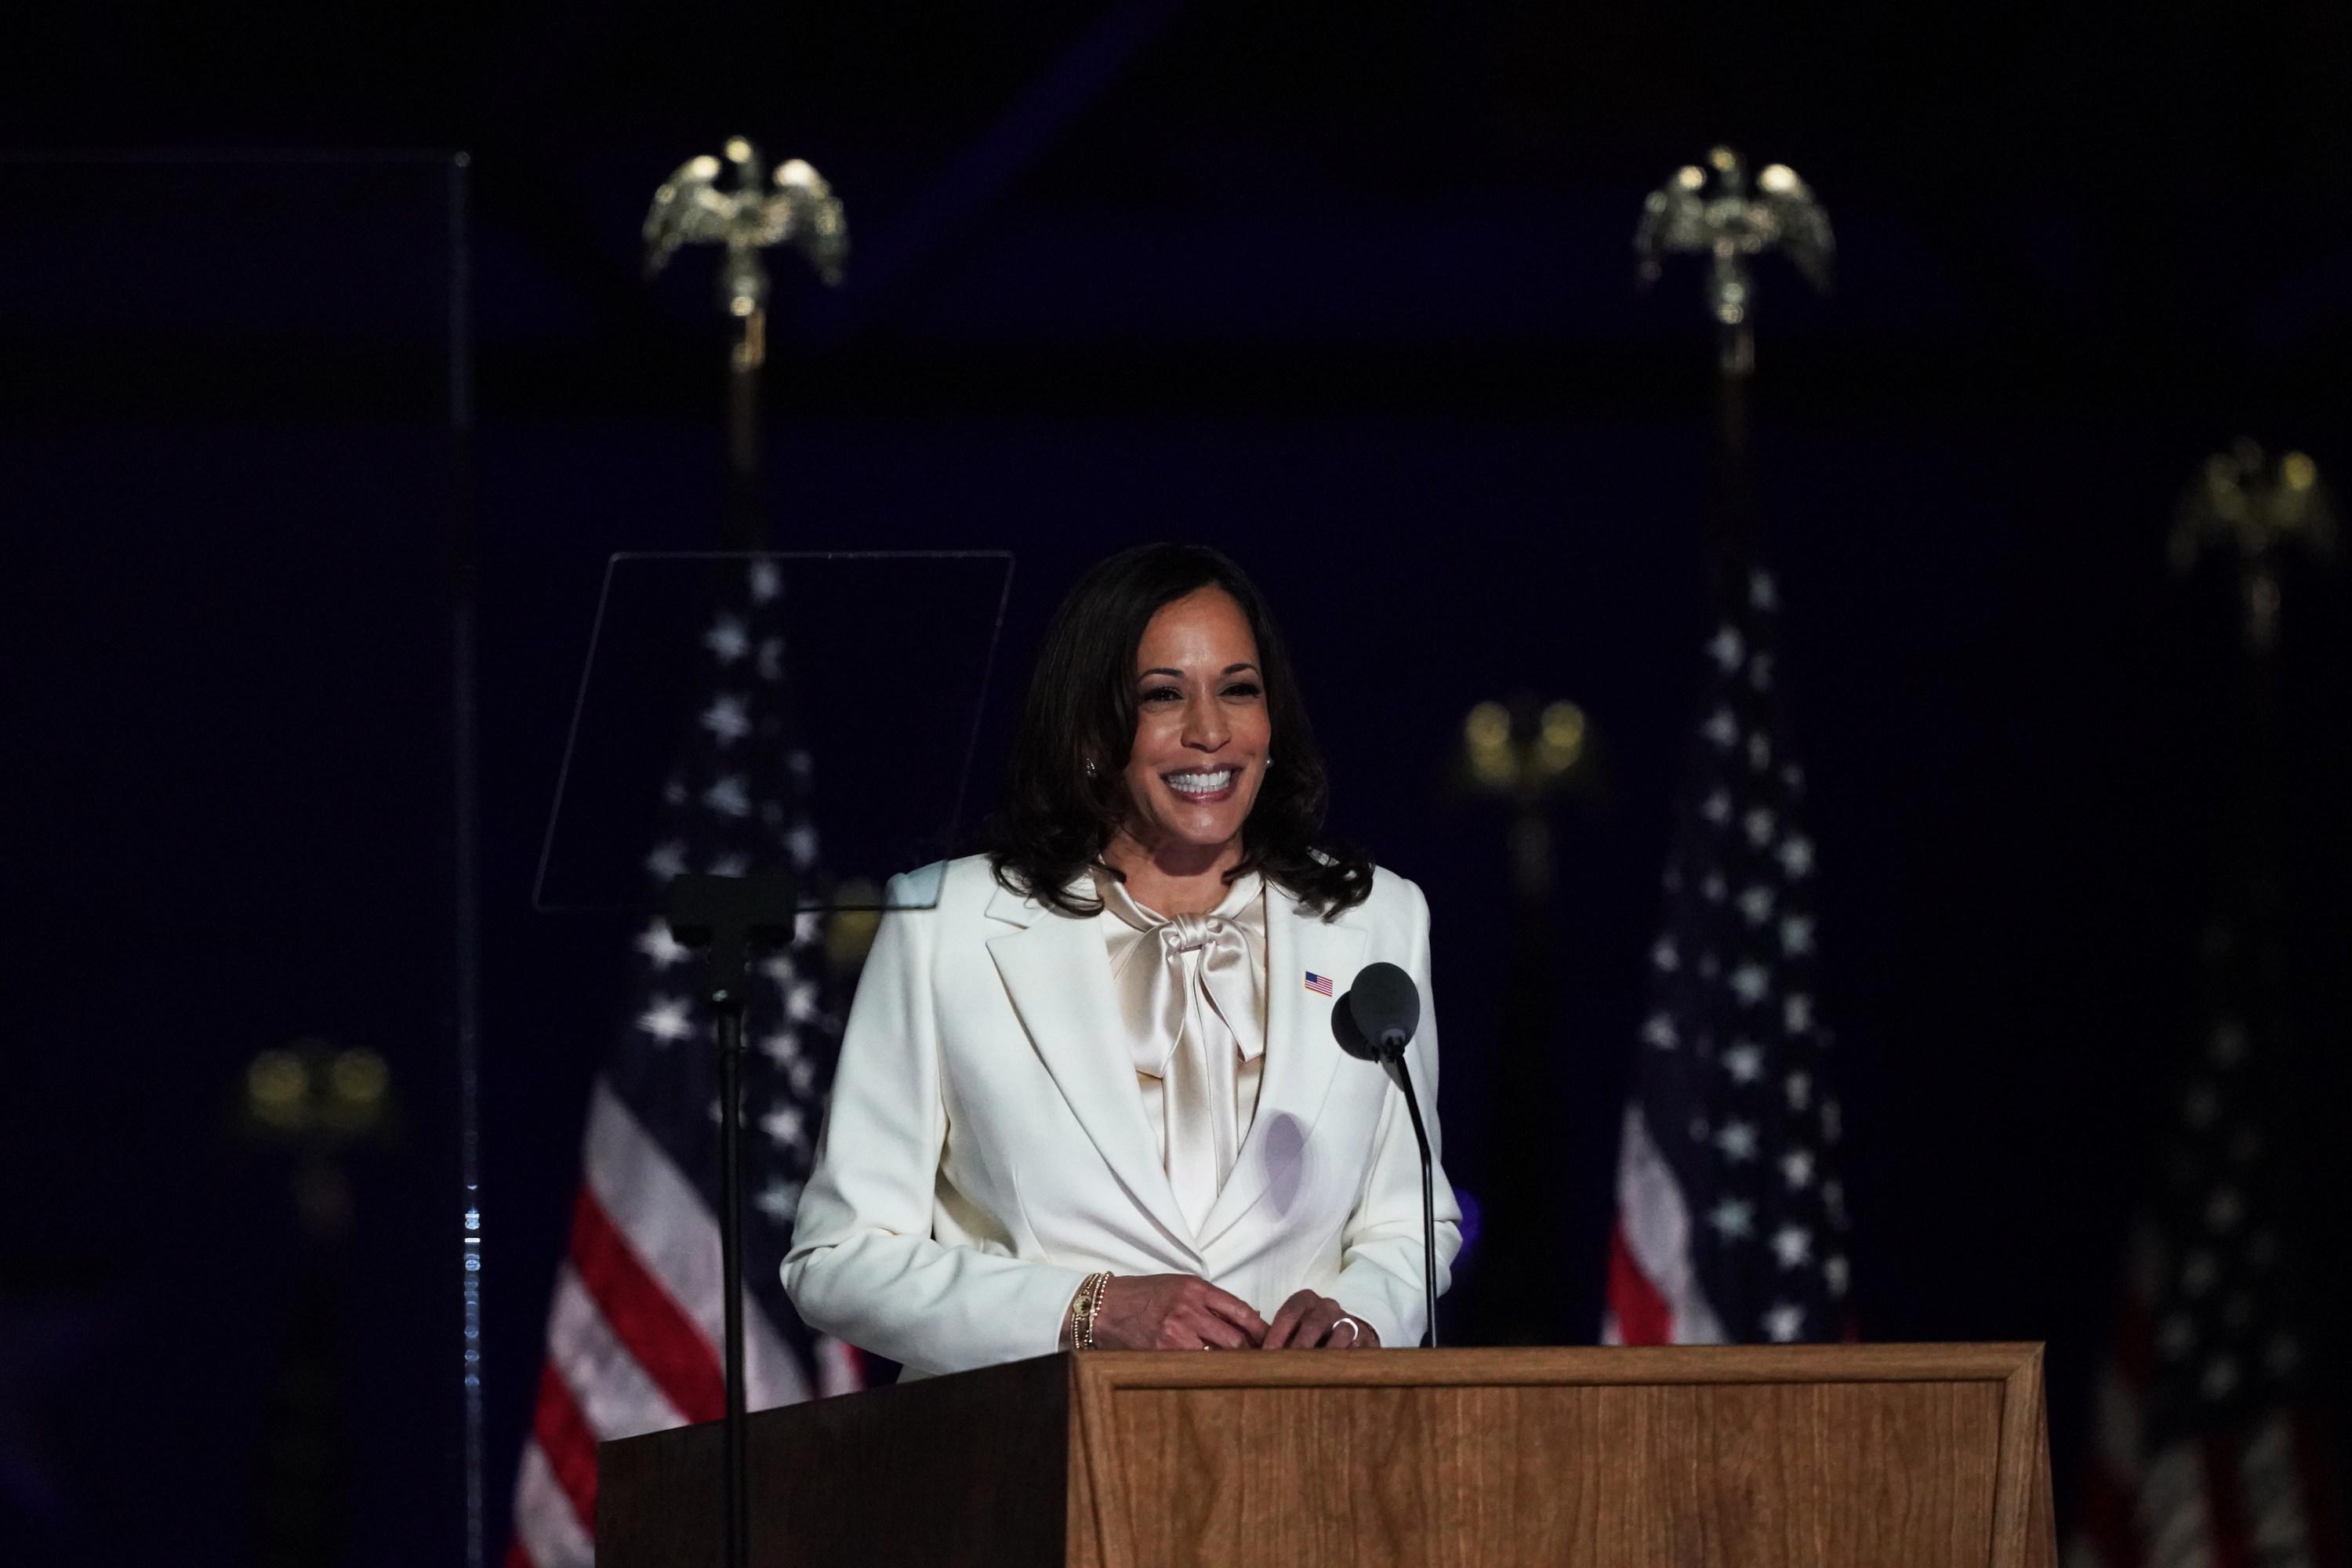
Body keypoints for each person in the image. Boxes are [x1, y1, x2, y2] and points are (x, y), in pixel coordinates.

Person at [784, 543, 1461, 1377]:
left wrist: (1359, 1320)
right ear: (1094, 731)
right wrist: (1088, 1310)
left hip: (1303, 1459)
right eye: (1163, 695)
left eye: (1239, 690)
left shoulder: (1375, 919)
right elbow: (840, 1257)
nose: (1210, 731)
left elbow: (1409, 1224)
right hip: (1032, 1464)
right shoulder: (947, 923)